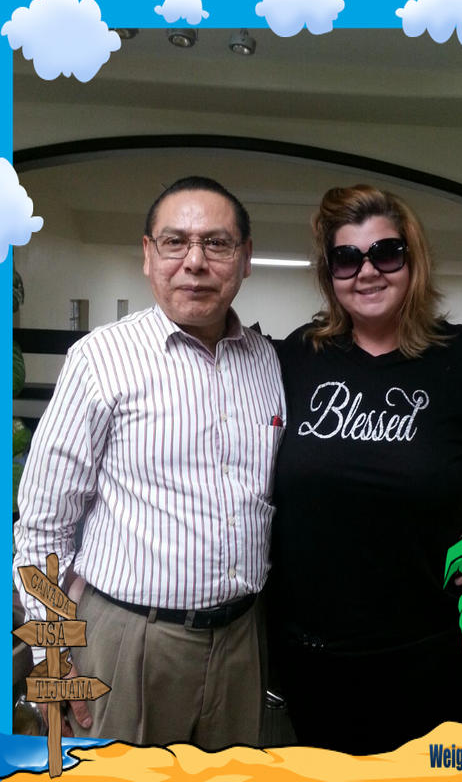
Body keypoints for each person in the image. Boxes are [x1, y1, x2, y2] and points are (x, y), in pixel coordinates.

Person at [269, 184, 462, 755]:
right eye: (346, 258)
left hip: (422, 647)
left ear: (413, 259)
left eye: (386, 253)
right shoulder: (300, 356)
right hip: (307, 649)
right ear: (329, 272)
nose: (367, 272)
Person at [14, 176, 286, 748]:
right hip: (129, 641)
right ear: (148, 254)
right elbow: (43, 526)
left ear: (245, 258)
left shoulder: (267, 361)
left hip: (242, 640)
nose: (195, 262)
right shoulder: (100, 360)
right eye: (174, 242)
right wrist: (52, 658)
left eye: (217, 243)